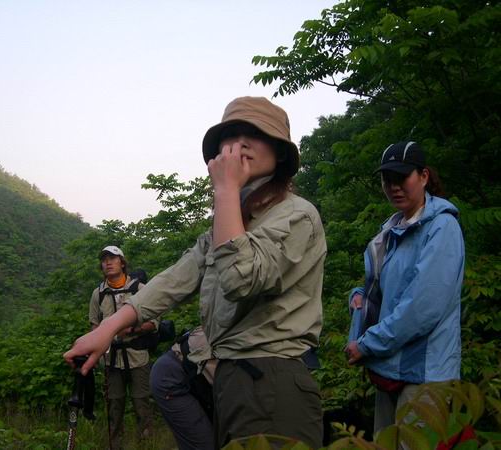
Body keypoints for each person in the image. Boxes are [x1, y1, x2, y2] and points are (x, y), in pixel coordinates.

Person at [66, 97, 326, 448]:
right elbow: (177, 278)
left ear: (280, 152)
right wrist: (107, 329)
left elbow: (240, 279)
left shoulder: (297, 215)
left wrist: (226, 190)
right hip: (232, 374)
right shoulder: (231, 220)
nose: (240, 143)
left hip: (272, 380)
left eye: (255, 134)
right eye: (230, 135)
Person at [345, 141, 465, 433]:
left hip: (425, 376)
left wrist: (367, 344)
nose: (394, 186)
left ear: (423, 176)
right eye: (387, 179)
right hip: (390, 368)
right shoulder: (392, 229)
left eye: (401, 177)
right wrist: (359, 298)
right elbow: (383, 289)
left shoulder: (442, 227)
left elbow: (422, 308)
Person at [89, 245, 157, 449]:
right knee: (114, 407)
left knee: (141, 404)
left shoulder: (140, 289)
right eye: (104, 260)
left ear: (122, 263)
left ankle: (145, 445)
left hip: (137, 356)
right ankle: (115, 446)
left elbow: (154, 323)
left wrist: (131, 330)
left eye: (113, 258)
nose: (108, 263)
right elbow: (94, 326)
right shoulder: (98, 294)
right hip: (111, 360)